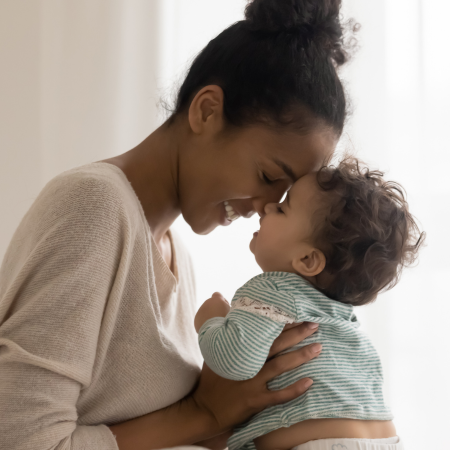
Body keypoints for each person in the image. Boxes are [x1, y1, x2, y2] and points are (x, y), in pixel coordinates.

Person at [0, 1, 357, 449]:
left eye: (284, 197)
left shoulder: (175, 255)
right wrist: (203, 412)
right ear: (206, 111)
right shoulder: (94, 206)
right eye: (269, 177)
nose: (267, 207)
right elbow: (21, 440)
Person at [194, 159, 424, 450]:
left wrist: (210, 320)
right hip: (387, 439)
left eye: (283, 208)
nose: (267, 207)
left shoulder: (274, 288)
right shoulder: (343, 321)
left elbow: (235, 359)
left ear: (307, 260)